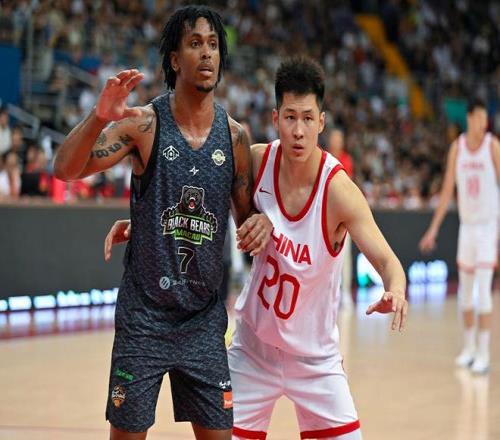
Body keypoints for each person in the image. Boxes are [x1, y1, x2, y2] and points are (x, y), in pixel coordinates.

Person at [106, 56, 408, 440]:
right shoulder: (257, 160)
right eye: (290, 117)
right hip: (253, 350)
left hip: (315, 359)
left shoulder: (339, 191)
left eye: (307, 118)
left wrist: (396, 289)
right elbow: (196, 201)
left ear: (321, 122)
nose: (298, 130)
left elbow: (386, 260)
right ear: (276, 118)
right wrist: (146, 226)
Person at [54, 6, 272, 440]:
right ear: (174, 59)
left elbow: (247, 218)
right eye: (195, 44)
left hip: (203, 321)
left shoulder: (234, 138)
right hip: (144, 319)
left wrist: (263, 224)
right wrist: (99, 117)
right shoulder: (144, 125)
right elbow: (65, 169)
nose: (207, 53)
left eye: (213, 45)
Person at [420, 99, 500, 375]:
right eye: (479, 118)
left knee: (484, 292)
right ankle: (469, 347)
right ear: (469, 119)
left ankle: (484, 353)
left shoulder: (492, 146)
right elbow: (446, 191)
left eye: (485, 119)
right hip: (467, 227)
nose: (483, 123)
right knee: (466, 293)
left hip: (488, 228)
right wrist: (433, 229)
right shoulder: (458, 148)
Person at [328, 128, 355, 309]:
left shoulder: (346, 159)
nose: (336, 142)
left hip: (344, 214)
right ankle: (328, 294)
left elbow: (346, 186)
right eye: (334, 138)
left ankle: (345, 292)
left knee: (345, 256)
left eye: (339, 139)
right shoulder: (323, 157)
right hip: (326, 214)